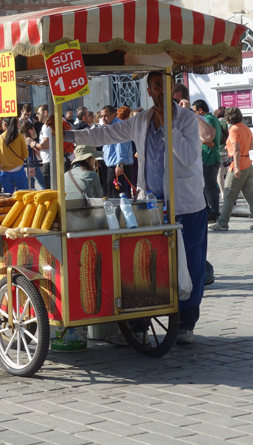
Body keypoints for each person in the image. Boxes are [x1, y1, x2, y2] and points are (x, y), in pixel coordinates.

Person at [68, 72, 207, 345]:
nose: (161, 92)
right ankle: (141, 322)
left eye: (166, 86)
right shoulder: (140, 121)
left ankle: (186, 324)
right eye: (156, 86)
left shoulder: (188, 120)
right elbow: (106, 134)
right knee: (146, 265)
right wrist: (68, 134)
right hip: (150, 206)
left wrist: (169, 126)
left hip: (187, 206)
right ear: (149, 90)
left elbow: (190, 158)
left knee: (190, 266)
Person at [211, 107, 253, 231]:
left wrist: (236, 167)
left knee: (228, 195)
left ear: (228, 118)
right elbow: (251, 146)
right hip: (248, 164)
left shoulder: (233, 130)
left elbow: (236, 149)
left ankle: (222, 223)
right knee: (249, 195)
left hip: (238, 166)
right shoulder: (245, 128)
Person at [194, 100, 222, 221]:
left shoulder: (208, 119)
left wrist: (201, 141)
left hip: (209, 157)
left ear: (200, 110)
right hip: (212, 156)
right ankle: (212, 211)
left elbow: (210, 138)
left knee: (209, 187)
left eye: (194, 111)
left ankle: (213, 212)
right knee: (210, 185)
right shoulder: (213, 118)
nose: (194, 114)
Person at [99, 105, 134, 198]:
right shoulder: (109, 126)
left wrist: (119, 164)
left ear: (113, 114)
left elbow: (120, 146)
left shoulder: (118, 125)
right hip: (113, 166)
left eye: (105, 116)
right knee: (112, 194)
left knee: (117, 196)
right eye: (101, 116)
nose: (103, 118)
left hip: (119, 167)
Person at [0, 116, 29, 194]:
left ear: (4, 125)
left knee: (9, 199)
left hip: (5, 172)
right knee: (24, 196)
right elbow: (25, 155)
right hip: (19, 170)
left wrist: (0, 167)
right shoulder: (20, 136)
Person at [22, 121, 45, 190]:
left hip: (28, 164)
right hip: (34, 164)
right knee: (43, 184)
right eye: (32, 129)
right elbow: (38, 148)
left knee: (31, 186)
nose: (34, 130)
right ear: (28, 130)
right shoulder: (29, 139)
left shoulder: (23, 139)